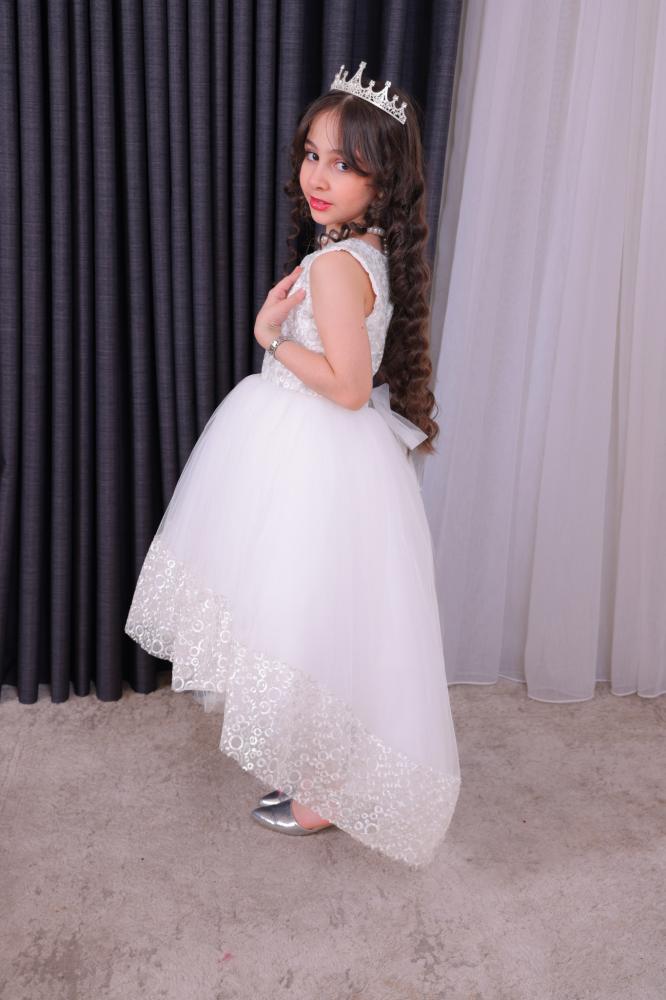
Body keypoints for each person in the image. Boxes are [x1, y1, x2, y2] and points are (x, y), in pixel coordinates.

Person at [124, 60, 461, 868]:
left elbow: (346, 386)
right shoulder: (359, 251)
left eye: (343, 164)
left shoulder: (338, 266)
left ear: (381, 181)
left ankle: (324, 789)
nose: (317, 176)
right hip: (318, 454)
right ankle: (320, 773)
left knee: (304, 613)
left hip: (312, 452)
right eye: (312, 155)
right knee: (316, 615)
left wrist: (269, 338)